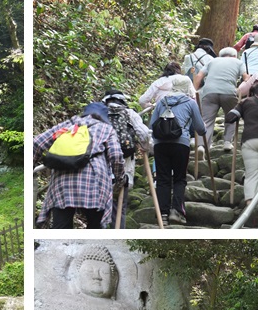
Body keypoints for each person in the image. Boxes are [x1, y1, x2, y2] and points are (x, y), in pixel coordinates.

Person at [33, 102, 124, 229]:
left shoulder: (70, 124)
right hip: (95, 183)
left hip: (62, 183)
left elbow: (36, 143)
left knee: (61, 231)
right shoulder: (106, 129)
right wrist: (120, 180)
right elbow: (116, 156)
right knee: (95, 229)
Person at [149, 75, 206, 226]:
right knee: (180, 178)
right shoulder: (190, 102)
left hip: (160, 144)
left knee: (163, 179)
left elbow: (152, 124)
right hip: (181, 144)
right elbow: (200, 128)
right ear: (187, 87)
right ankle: (177, 211)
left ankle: (163, 214)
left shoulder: (162, 101)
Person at [101, 89, 152, 229]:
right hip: (124, 164)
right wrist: (146, 147)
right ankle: (118, 231)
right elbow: (144, 134)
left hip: (99, 166)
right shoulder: (129, 114)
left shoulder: (97, 114)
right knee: (119, 206)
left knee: (99, 206)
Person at [193, 47, 247, 153]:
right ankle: (227, 142)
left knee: (206, 120)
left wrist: (194, 91)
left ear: (220, 55)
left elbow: (199, 75)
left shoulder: (212, 61)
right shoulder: (238, 62)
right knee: (232, 116)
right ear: (234, 55)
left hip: (209, 92)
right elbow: (246, 78)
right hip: (229, 92)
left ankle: (201, 145)